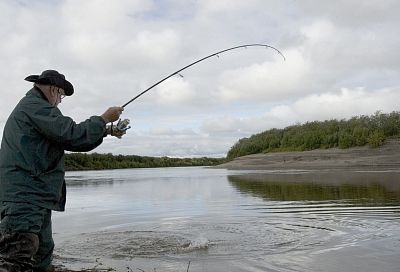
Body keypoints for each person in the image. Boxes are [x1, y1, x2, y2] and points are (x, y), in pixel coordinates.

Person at [0, 70, 127, 272]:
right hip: (24, 197)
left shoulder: (34, 108)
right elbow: (71, 134)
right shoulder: (35, 107)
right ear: (54, 89)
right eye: (61, 96)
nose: (60, 100)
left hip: (34, 196)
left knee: (42, 255)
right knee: (16, 259)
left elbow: (69, 138)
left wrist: (107, 130)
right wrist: (103, 119)